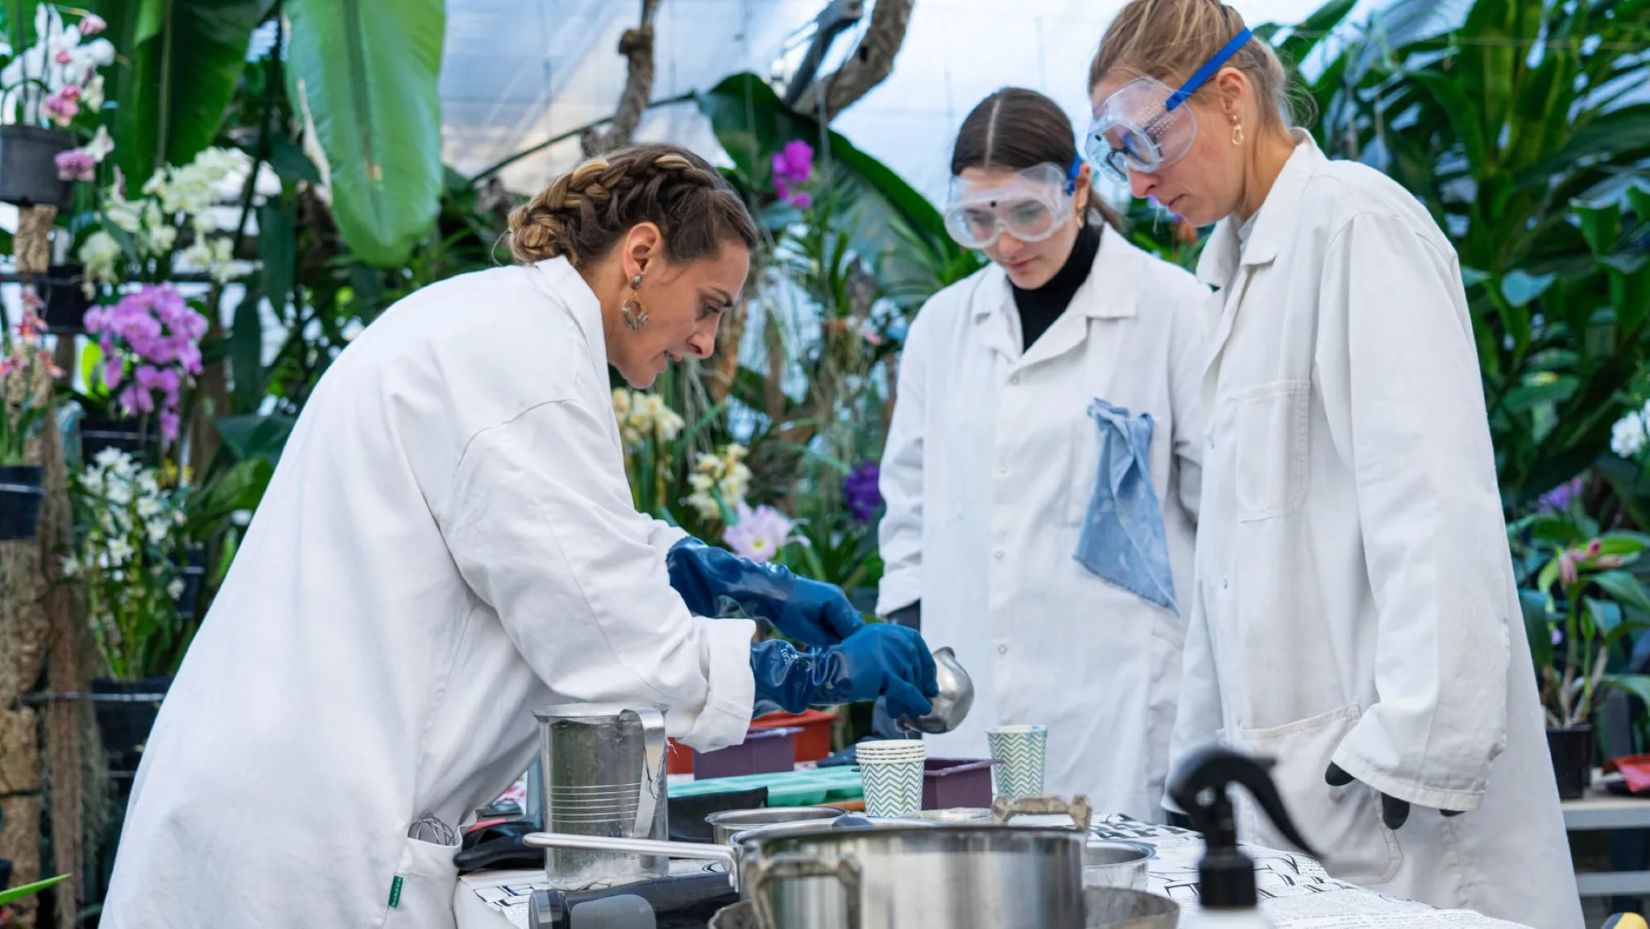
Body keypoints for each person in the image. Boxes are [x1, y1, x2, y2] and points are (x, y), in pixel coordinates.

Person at [103, 144, 937, 929]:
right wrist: (808, 673)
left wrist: (724, 576)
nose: (706, 342)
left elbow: (568, 539)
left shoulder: (505, 327)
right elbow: (609, 633)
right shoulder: (524, 363)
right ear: (641, 255)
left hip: (290, 796)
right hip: (310, 839)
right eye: (710, 306)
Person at [1087, 3, 1580, 925]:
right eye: (1119, 155)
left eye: (1147, 141)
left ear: (1230, 96)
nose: (1140, 182)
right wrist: (1196, 762)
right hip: (1300, 798)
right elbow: (1230, 571)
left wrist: (1414, 743)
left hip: (1399, 810)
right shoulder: (1233, 277)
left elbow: (1431, 499)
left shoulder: (1355, 223)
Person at [875, 87, 1209, 818]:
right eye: (979, 219)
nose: (1006, 243)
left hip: (1121, 695)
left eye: (1028, 211)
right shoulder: (943, 326)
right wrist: (901, 643)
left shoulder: (1172, 310)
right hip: (969, 693)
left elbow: (1222, 513)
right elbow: (909, 505)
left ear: (1079, 188)